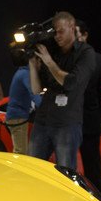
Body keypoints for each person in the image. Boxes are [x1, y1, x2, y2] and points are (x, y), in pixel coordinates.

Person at [28, 11, 95, 170]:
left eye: (61, 31)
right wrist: (32, 65)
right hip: (43, 120)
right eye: (55, 32)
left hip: (67, 123)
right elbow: (36, 89)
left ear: (72, 27)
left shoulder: (85, 53)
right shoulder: (53, 52)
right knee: (32, 169)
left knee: (66, 172)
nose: (57, 36)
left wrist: (49, 62)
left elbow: (70, 82)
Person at [76, 20, 101, 190]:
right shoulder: (67, 57)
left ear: (85, 35)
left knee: (93, 164)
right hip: (69, 119)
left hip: (90, 120)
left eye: (76, 33)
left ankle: (96, 197)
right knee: (66, 164)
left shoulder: (99, 59)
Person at [5, 47, 41, 155]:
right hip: (18, 117)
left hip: (16, 116)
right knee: (20, 153)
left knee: (20, 150)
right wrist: (45, 106)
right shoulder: (25, 74)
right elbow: (34, 93)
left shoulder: (21, 73)